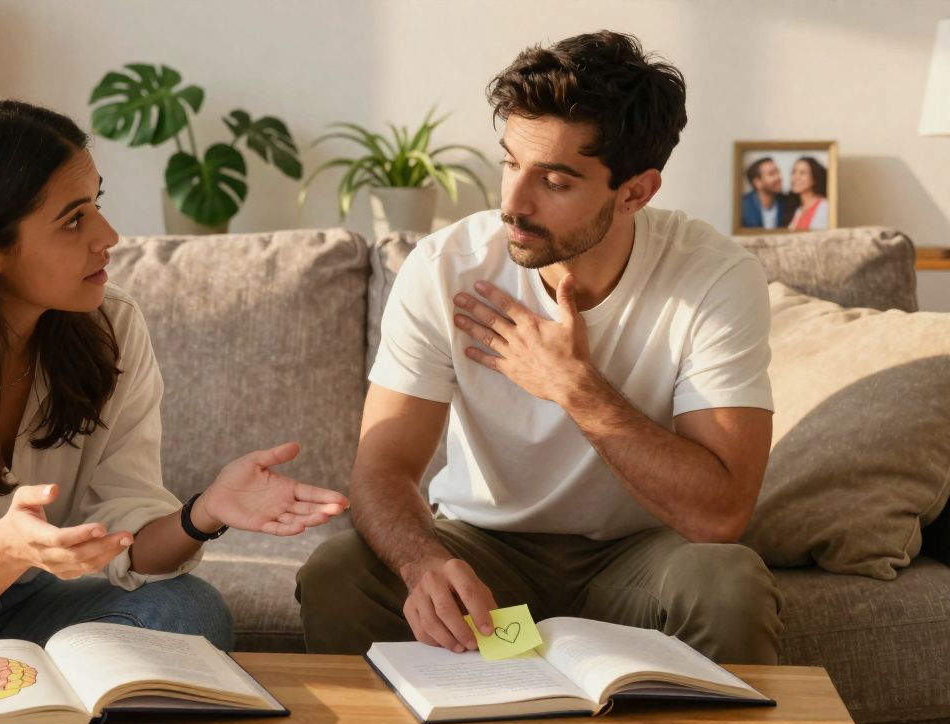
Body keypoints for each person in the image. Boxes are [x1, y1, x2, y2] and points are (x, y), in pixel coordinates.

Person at [0, 97, 349, 676]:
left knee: (187, 612)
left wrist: (204, 511)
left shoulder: (110, 327)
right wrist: (4, 549)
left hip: (23, 598)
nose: (109, 235)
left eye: (95, 204)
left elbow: (128, 537)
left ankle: (31, 695)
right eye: (73, 219)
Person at [297, 30, 783, 665]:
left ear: (635, 192)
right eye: (509, 163)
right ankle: (489, 674)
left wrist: (573, 386)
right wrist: (423, 563)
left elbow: (720, 516)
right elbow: (382, 469)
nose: (512, 204)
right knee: (339, 573)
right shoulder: (447, 268)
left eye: (554, 181)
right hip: (486, 561)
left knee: (727, 586)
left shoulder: (714, 278)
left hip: (637, 562)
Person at [740, 157, 795, 229]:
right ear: (757, 183)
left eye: (777, 171)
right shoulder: (742, 207)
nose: (778, 177)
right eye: (771, 174)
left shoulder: (786, 203)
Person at [787, 156, 830, 231]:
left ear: (814, 178)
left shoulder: (824, 206)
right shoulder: (799, 211)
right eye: (794, 172)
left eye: (802, 173)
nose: (795, 177)